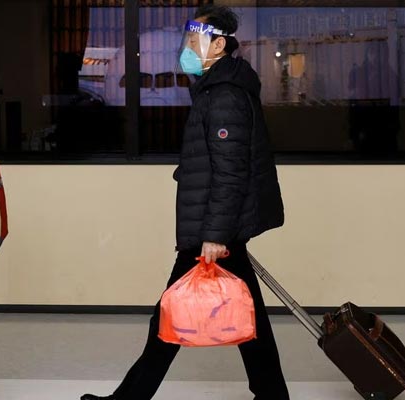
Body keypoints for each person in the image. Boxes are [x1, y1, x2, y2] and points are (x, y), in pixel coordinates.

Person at [81, 6, 289, 400]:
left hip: (211, 231)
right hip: (213, 226)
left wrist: (214, 235)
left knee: (170, 315)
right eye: (188, 39)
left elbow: (231, 173)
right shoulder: (215, 88)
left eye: (195, 40)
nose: (188, 47)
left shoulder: (225, 96)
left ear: (220, 45)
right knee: (245, 322)